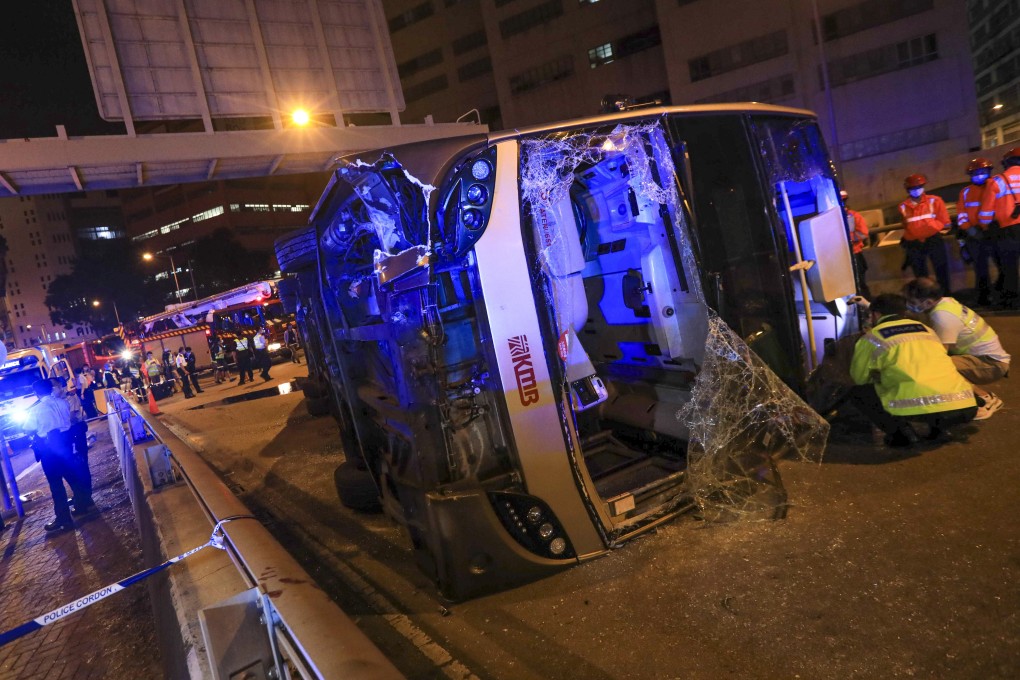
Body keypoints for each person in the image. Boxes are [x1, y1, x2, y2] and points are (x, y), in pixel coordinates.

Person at [848, 294, 977, 447]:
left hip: (920, 408)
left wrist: (882, 377)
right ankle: (941, 431)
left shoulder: (872, 338)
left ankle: (902, 435)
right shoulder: (927, 330)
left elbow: (859, 378)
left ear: (876, 314)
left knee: (859, 393)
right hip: (965, 407)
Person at [903, 277, 1008, 419]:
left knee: (938, 367)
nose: (909, 305)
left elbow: (940, 354)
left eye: (912, 302)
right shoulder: (946, 302)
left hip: (991, 364)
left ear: (928, 302)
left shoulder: (942, 317)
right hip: (987, 359)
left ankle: (985, 399)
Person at [27, 378, 94, 533]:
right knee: (72, 477)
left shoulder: (36, 410)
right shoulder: (63, 403)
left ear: (36, 392)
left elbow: (28, 427)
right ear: (51, 388)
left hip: (49, 449)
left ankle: (63, 519)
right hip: (66, 444)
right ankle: (82, 505)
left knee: (56, 485)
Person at [978, 147, 1020, 308]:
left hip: (1007, 231)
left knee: (1009, 268)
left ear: (1006, 163)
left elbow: (986, 213)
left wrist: (985, 225)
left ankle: (1012, 301)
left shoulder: (997, 181)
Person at [898, 173, 951, 295]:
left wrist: (931, 229)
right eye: (913, 188)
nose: (916, 190)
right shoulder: (902, 206)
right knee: (920, 273)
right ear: (908, 189)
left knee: (941, 268)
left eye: (919, 187)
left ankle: (945, 295)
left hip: (933, 239)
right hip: (914, 242)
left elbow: (944, 221)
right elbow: (906, 225)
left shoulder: (935, 201)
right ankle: (925, 296)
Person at [958, 158, 997, 306]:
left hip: (994, 232)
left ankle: (1000, 293)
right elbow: (961, 214)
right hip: (974, 235)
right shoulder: (966, 192)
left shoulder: (995, 187)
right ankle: (983, 297)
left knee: (1003, 266)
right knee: (980, 268)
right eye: (976, 173)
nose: (980, 175)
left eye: (983, 172)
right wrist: (969, 229)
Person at [841, 190, 871, 299]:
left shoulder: (853, 216)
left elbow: (863, 233)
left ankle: (867, 307)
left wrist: (845, 239)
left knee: (860, 284)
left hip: (855, 255)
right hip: (840, 257)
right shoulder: (830, 218)